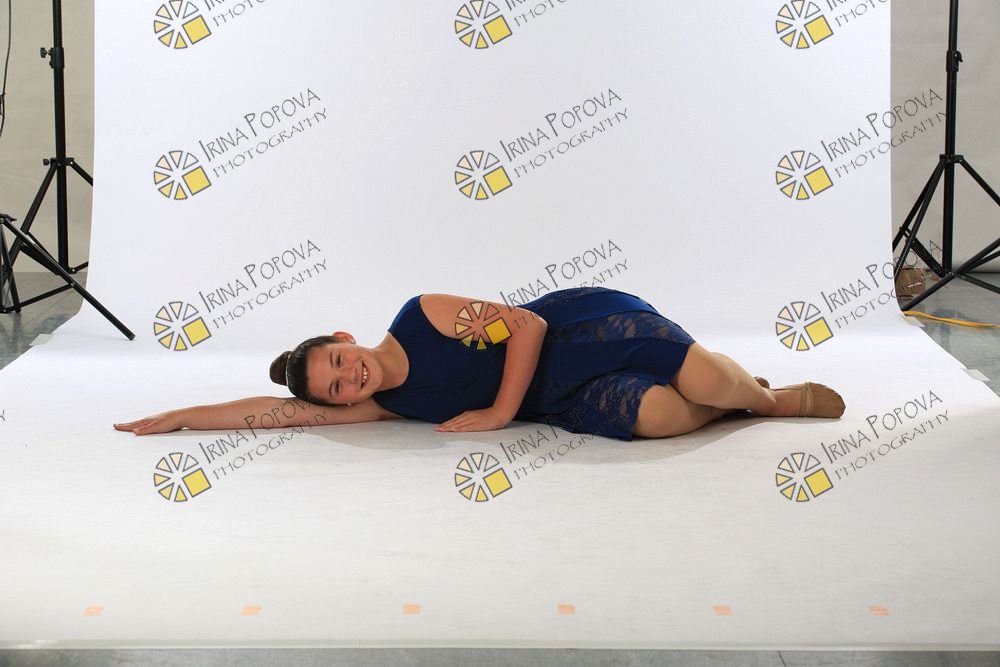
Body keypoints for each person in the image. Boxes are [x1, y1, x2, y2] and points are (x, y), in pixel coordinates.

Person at [113, 286, 845, 440]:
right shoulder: (387, 405)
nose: (348, 378)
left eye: (340, 360)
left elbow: (526, 325)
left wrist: (498, 412)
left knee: (707, 377)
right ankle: (733, 401)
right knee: (657, 418)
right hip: (558, 401)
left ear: (345, 336)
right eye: (335, 389)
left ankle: (764, 398)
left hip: (573, 336)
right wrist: (184, 415)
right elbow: (270, 412)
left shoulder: (420, 314)